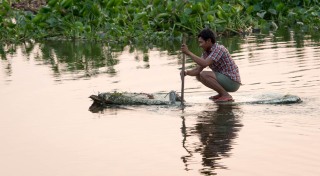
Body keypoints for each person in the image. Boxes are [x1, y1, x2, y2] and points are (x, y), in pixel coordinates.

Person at [181, 28, 241, 102]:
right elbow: (197, 70)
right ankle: (221, 93)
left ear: (209, 41)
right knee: (199, 75)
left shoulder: (219, 49)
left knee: (204, 74)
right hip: (224, 79)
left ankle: (225, 95)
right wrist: (186, 72)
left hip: (232, 82)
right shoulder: (206, 53)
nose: (200, 45)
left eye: (201, 42)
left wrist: (188, 53)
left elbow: (205, 63)